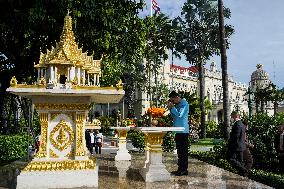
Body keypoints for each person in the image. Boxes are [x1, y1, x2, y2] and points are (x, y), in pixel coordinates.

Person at [167, 91, 190, 176]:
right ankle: (180, 169)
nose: (173, 102)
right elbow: (174, 116)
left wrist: (172, 107)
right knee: (179, 152)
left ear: (177, 97)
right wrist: (170, 108)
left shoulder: (184, 103)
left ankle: (184, 170)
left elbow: (180, 115)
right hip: (177, 130)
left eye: (173, 100)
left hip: (183, 131)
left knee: (183, 152)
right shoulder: (177, 105)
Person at [227, 111, 248, 176]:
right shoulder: (242, 124)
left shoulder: (237, 124)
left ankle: (244, 169)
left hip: (236, 146)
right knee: (240, 161)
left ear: (235, 116)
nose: (231, 118)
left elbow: (235, 137)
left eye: (231, 116)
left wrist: (229, 145)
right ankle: (243, 174)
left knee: (231, 158)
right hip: (241, 146)